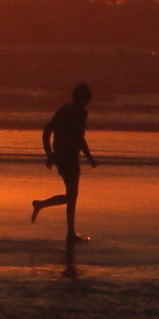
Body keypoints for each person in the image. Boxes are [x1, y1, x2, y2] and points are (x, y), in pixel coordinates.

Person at [30, 83, 99, 276]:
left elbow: (47, 132)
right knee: (72, 195)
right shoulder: (80, 113)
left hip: (62, 156)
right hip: (68, 157)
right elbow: (79, 138)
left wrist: (50, 154)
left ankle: (68, 230)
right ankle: (43, 206)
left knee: (72, 195)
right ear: (84, 99)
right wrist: (90, 158)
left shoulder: (63, 110)